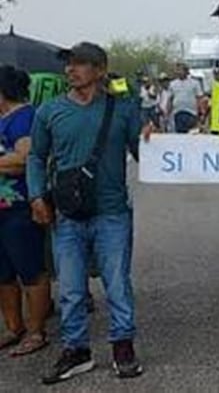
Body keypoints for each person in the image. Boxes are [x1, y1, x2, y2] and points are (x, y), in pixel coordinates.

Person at [27, 43, 145, 383]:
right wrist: (36, 195)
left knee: (117, 283)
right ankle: (76, 349)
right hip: (67, 214)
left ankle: (123, 345)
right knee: (71, 289)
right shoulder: (49, 112)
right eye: (69, 64)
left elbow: (142, 153)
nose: (70, 70)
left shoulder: (122, 110)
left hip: (112, 213)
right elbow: (37, 156)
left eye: (79, 64)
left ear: (100, 69)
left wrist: (151, 138)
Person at [0, 66, 50, 358]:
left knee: (30, 270)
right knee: (3, 274)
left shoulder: (25, 118)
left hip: (19, 207)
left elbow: (23, 160)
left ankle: (36, 331)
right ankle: (13, 327)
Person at [166, 63, 203, 134]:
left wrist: (200, 113)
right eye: (177, 70)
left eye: (180, 70)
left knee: (191, 133)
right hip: (178, 112)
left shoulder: (195, 83)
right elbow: (170, 99)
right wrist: (167, 113)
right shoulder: (172, 84)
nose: (178, 72)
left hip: (191, 113)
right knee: (180, 134)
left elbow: (199, 98)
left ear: (186, 71)